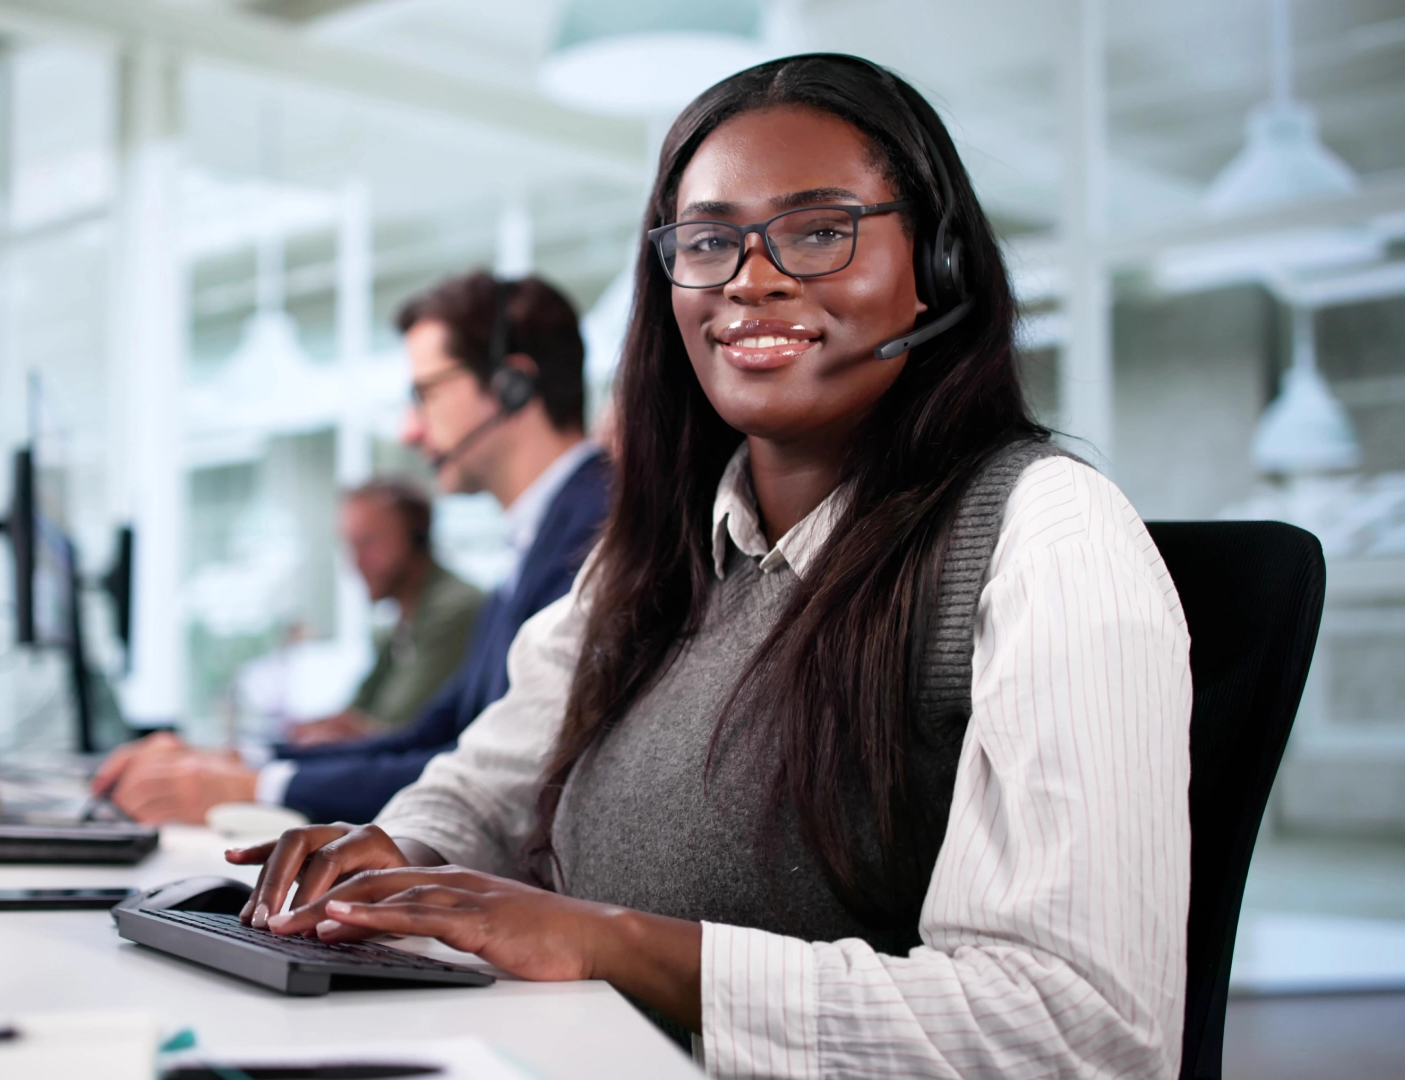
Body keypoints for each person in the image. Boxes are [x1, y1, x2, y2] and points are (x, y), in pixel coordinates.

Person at [230, 55, 1194, 1080]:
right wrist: (400, 852)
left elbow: (1084, 1027)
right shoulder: (657, 547)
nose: (750, 279)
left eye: (819, 230)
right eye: (707, 241)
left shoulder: (1049, 534)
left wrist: (614, 944)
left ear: (937, 267)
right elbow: (490, 783)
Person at [92, 271, 612, 826]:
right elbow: (436, 738)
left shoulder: (602, 531)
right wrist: (241, 762)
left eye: (426, 394)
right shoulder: (539, 540)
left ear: (513, 387)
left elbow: (498, 776)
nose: (409, 430)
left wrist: (254, 786)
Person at [287, 480, 483, 746]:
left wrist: (352, 731)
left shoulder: (454, 611)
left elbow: (400, 730)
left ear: (415, 537)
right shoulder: (402, 623)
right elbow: (360, 712)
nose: (356, 562)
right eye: (350, 546)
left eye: (368, 543)